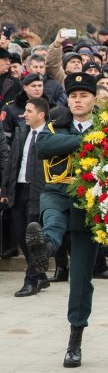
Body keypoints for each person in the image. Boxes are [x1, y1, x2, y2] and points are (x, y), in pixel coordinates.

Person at [25, 73, 108, 367]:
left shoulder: (105, 126)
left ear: (94, 99)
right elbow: (44, 147)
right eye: (73, 95)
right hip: (58, 191)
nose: (77, 100)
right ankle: (44, 249)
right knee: (51, 222)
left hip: (90, 201)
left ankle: (75, 338)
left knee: (81, 279)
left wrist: (75, 141)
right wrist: (84, 141)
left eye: (84, 95)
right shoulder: (54, 124)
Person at [2, 96, 49, 296]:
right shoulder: (22, 131)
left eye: (29, 111)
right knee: (22, 235)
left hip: (37, 192)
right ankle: (40, 275)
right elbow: (12, 161)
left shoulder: (50, 134)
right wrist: (5, 189)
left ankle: (31, 280)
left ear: (41, 115)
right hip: (18, 189)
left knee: (33, 236)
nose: (24, 114)